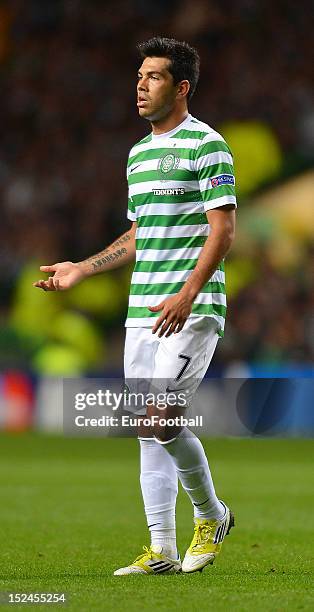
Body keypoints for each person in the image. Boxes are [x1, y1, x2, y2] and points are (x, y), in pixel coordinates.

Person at [34, 37, 236, 575]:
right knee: (148, 428)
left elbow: (224, 229)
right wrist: (83, 267)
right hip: (142, 311)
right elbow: (139, 235)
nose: (140, 85)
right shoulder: (139, 153)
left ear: (181, 86)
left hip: (191, 307)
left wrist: (189, 292)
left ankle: (212, 515)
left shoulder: (207, 145)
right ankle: (162, 549)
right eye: (139, 76)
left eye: (153, 76)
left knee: (161, 416)